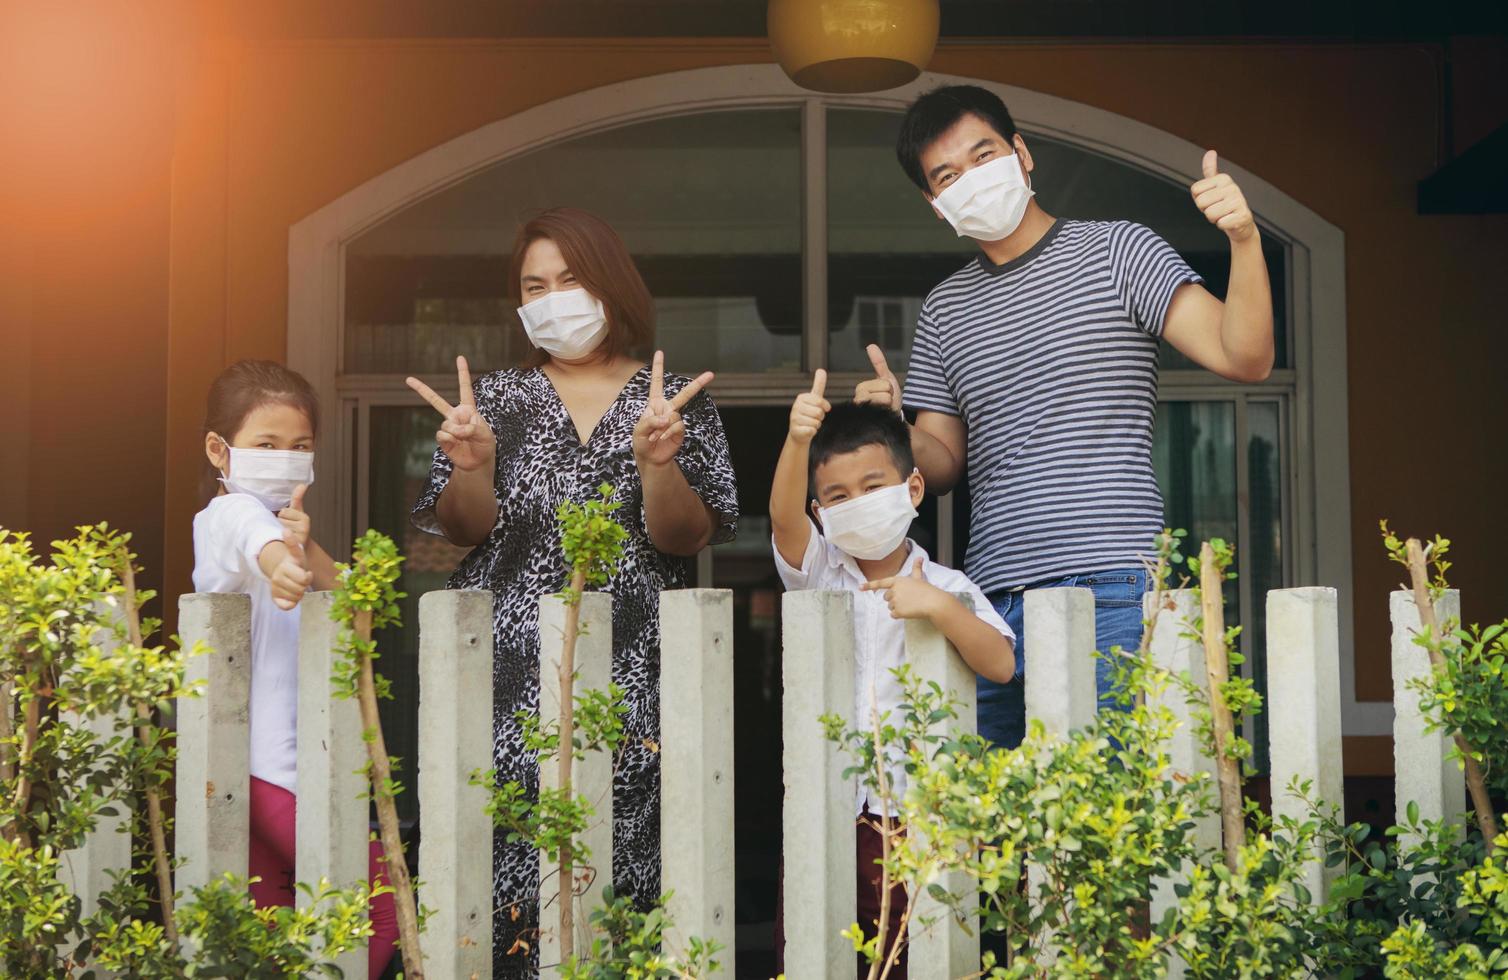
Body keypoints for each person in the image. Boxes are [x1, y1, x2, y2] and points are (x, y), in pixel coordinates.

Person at [856, 84, 1274, 749]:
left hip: (1112, 579)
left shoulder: (1120, 252)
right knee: (1000, 825)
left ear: (1021, 153)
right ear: (936, 206)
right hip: (991, 597)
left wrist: (1245, 240)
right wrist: (895, 431)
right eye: (947, 176)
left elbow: (1243, 357)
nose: (970, 180)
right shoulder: (944, 309)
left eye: (982, 154)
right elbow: (939, 463)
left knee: (1106, 818)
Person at [405, 207, 738, 977]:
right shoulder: (489, 401)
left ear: (611, 285)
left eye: (572, 279)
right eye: (535, 285)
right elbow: (461, 529)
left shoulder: (678, 399)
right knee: (509, 892)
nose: (554, 297)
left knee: (632, 886)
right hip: (507, 689)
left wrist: (659, 462)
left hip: (638, 687)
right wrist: (473, 465)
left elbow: (688, 537)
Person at [769, 380, 1016, 977]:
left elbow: (1002, 663)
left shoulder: (951, 585)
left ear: (912, 489)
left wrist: (939, 608)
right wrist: (797, 438)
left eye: (872, 487)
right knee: (817, 954)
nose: (856, 501)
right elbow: (780, 517)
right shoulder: (820, 574)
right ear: (821, 513)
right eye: (838, 495)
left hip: (920, 820)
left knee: (918, 958)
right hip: (829, 815)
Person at [192, 359, 398, 979]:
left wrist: (303, 551)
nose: (285, 457)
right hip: (277, 775)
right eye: (267, 445)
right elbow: (256, 539)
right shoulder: (226, 517)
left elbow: (359, 599)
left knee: (277, 923)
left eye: (300, 446)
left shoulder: (284, 529)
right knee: (377, 912)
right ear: (219, 451)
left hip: (253, 771)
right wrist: (284, 561)